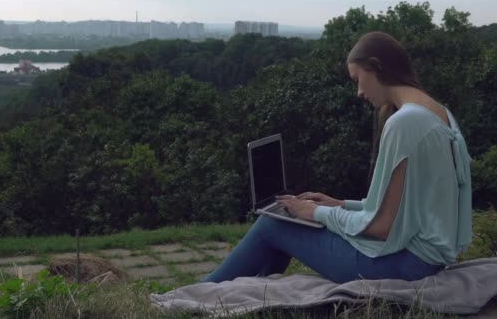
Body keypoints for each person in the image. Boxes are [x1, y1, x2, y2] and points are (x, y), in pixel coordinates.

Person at [201, 31, 472, 284]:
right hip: (421, 261)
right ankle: (247, 292)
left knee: (272, 223)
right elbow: (406, 208)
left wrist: (317, 212)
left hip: (399, 266)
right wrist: (340, 204)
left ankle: (199, 293)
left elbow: (380, 227)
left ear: (376, 66)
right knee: (287, 220)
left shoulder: (405, 122)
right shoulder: (439, 113)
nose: (359, 92)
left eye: (357, 80)